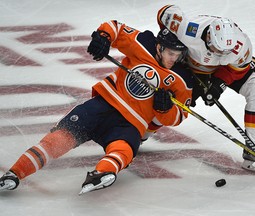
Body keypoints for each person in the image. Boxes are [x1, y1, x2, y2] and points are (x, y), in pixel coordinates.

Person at [0, 21, 193, 194]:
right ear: (159, 47)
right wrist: (103, 37)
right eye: (170, 54)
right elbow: (115, 28)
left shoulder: (183, 78)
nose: (173, 60)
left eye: (178, 55)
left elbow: (179, 116)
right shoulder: (144, 44)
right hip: (101, 106)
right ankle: (14, 174)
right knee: (59, 139)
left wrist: (165, 108)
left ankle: (102, 173)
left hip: (131, 124)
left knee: (124, 149)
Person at [156, 5, 255, 174]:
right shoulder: (187, 29)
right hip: (191, 68)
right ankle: (142, 131)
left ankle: (253, 147)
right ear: (209, 37)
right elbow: (163, 13)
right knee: (169, 100)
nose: (221, 55)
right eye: (218, 50)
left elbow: (236, 68)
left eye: (226, 51)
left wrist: (218, 84)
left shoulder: (241, 45)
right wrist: (172, 47)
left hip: (223, 71)